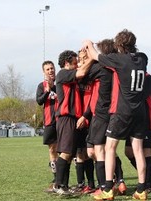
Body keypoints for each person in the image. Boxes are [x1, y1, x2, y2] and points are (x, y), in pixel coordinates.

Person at [83, 29, 148, 200]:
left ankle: (108, 188)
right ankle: (142, 190)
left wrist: (88, 44)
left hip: (122, 112)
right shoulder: (143, 58)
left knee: (110, 148)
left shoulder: (119, 60)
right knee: (138, 150)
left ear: (119, 45)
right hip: (140, 111)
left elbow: (96, 56)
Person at [53, 50, 93, 196]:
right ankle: (59, 185)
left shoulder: (71, 77)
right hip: (66, 118)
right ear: (66, 63)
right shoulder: (63, 73)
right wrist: (93, 58)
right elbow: (81, 73)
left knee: (70, 154)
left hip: (74, 118)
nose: (77, 66)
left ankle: (64, 185)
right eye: (74, 63)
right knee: (66, 152)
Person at [125, 70, 151, 193]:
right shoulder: (131, 77)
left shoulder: (148, 78)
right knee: (129, 152)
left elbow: (141, 96)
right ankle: (146, 175)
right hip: (133, 121)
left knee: (145, 153)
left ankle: (147, 184)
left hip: (147, 121)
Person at [36, 60, 58, 192]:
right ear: (44, 72)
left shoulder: (61, 82)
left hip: (62, 121)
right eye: (48, 69)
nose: (50, 71)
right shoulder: (41, 85)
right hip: (49, 122)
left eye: (52, 68)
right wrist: (47, 91)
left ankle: (73, 179)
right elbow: (39, 101)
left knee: (66, 151)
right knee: (52, 149)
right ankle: (56, 177)